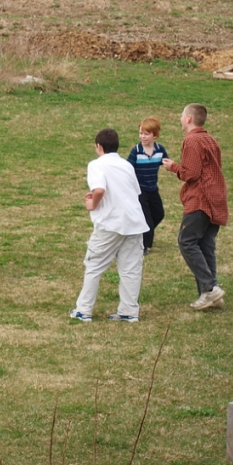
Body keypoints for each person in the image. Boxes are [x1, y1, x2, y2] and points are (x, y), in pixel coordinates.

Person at [70, 129, 148, 323]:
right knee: (131, 269)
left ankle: (83, 310)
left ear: (99, 147)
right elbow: (133, 191)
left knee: (94, 264)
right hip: (134, 221)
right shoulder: (127, 165)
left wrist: (93, 203)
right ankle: (129, 311)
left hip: (111, 222)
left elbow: (100, 189)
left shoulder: (97, 165)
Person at [163, 103, 228, 310]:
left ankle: (209, 289)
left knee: (187, 241)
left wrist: (173, 166)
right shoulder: (210, 139)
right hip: (216, 198)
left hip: (200, 199)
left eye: (182, 115)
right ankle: (211, 294)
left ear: (189, 119)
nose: (180, 118)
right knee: (205, 244)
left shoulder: (192, 140)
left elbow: (191, 173)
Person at [127, 116, 169, 255]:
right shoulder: (136, 151)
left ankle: (140, 233)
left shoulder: (159, 150)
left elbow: (166, 162)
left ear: (155, 135)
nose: (143, 137)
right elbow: (128, 169)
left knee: (159, 214)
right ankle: (143, 245)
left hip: (153, 189)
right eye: (141, 133)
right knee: (147, 219)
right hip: (140, 191)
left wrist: (172, 166)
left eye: (146, 134)